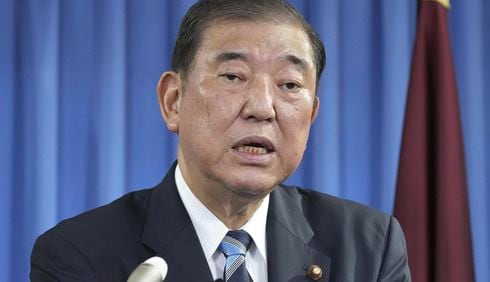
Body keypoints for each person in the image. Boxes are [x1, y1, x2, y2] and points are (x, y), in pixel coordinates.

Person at [30, 0, 411, 281]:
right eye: (233, 76)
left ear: (311, 115)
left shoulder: (369, 248)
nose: (263, 108)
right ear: (173, 101)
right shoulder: (77, 255)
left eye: (290, 85)